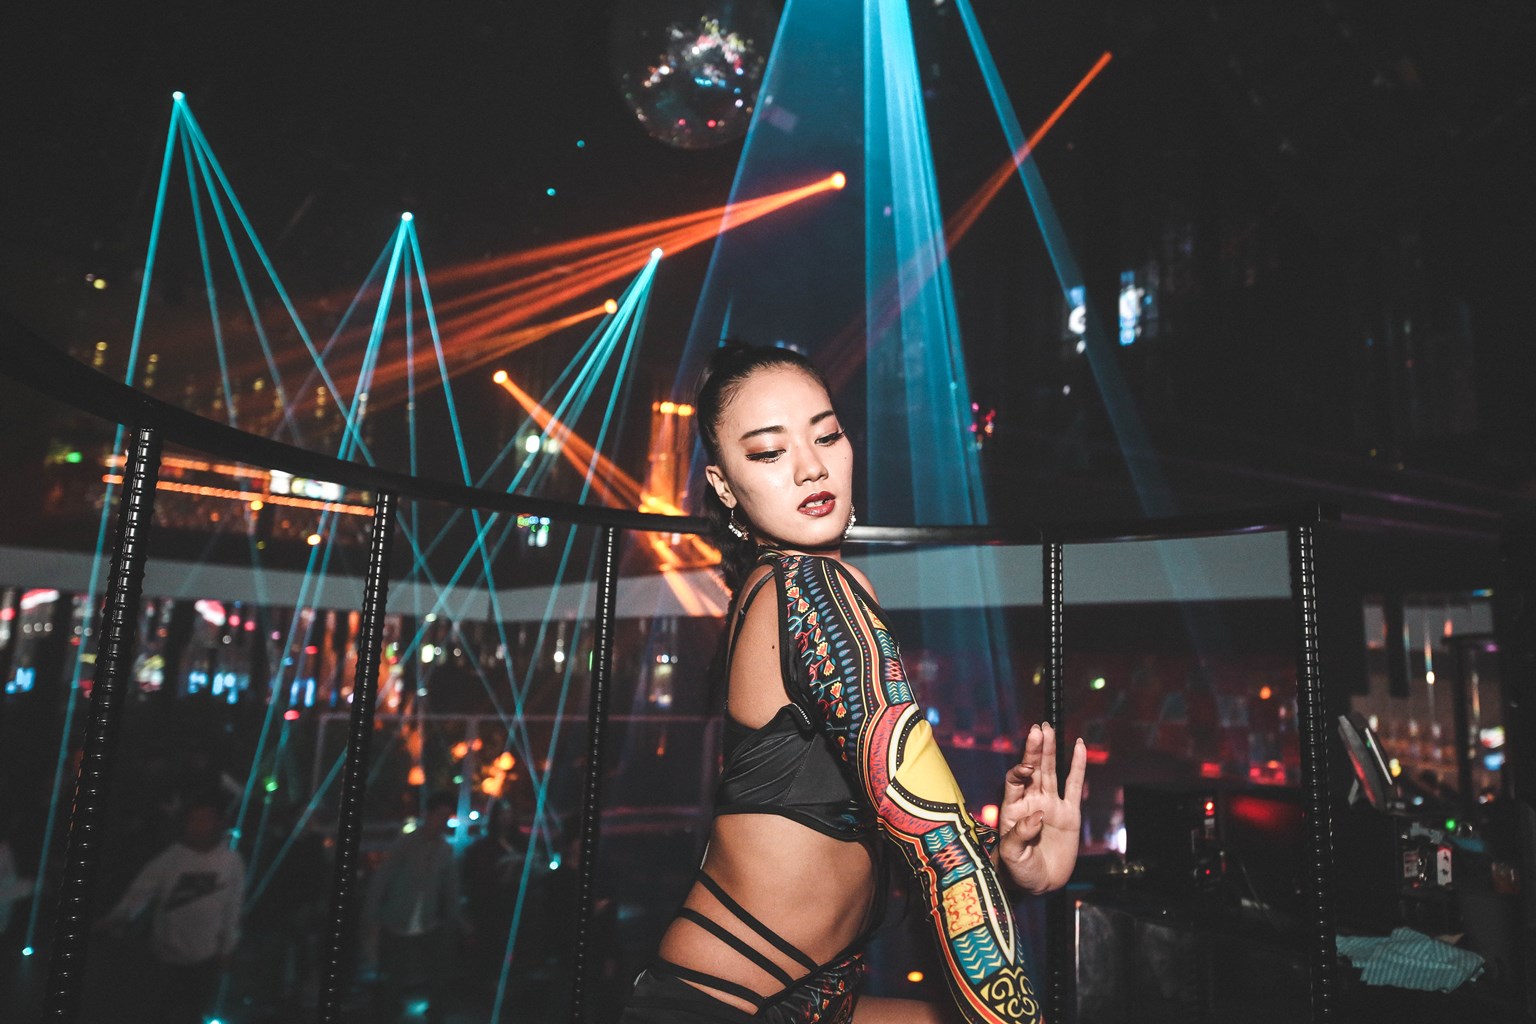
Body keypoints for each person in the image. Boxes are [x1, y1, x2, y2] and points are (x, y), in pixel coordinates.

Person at [619, 342, 1087, 1024]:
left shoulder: (777, 590)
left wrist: (1012, 863)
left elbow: (866, 849)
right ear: (723, 486)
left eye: (827, 435)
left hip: (806, 1005)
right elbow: (938, 844)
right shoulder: (807, 587)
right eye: (769, 452)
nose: (810, 466)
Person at [96, 798, 245, 1024]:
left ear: (217, 823)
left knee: (195, 1011)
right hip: (166, 955)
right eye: (194, 819)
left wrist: (227, 949)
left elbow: (233, 907)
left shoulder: (231, 862)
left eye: (205, 819)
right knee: (159, 1010)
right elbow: (139, 894)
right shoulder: (171, 858)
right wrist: (116, 917)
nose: (199, 825)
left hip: (205, 956)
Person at [363, 791, 471, 1024]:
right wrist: (372, 916)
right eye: (440, 816)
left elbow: (450, 887)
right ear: (428, 815)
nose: (442, 822)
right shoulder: (406, 844)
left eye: (446, 817)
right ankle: (391, 1012)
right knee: (395, 976)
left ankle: (433, 1012)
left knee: (435, 972)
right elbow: (382, 879)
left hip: (426, 921)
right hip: (399, 919)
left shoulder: (443, 849)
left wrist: (457, 917)